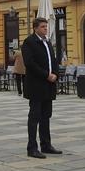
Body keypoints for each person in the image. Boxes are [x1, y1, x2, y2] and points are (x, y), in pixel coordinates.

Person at [21, 18, 61, 158]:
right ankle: (32, 147)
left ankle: (46, 144)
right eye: (43, 27)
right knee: (34, 117)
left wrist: (56, 73)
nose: (46, 29)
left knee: (46, 116)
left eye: (46, 26)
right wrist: (46, 75)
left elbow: (53, 60)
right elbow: (30, 63)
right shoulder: (29, 42)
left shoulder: (47, 42)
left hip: (48, 85)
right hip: (36, 85)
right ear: (35, 28)